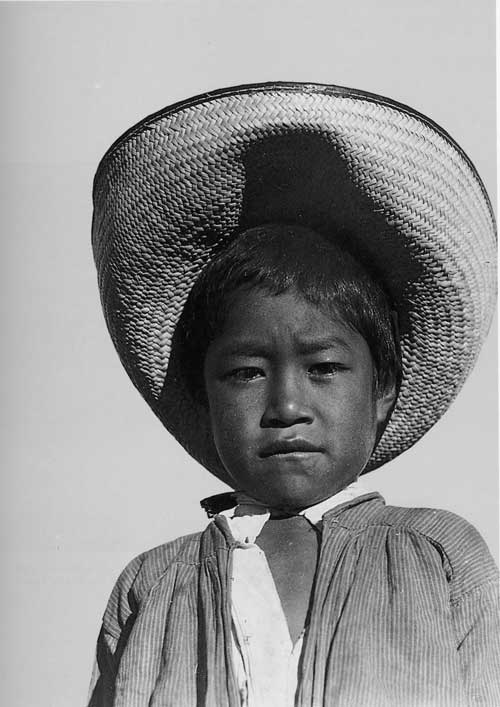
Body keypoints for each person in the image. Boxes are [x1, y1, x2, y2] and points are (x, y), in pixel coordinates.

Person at [88, 82, 499, 706]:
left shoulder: (441, 557)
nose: (285, 407)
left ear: (382, 391)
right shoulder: (151, 587)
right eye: (245, 373)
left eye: (325, 367)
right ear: (202, 394)